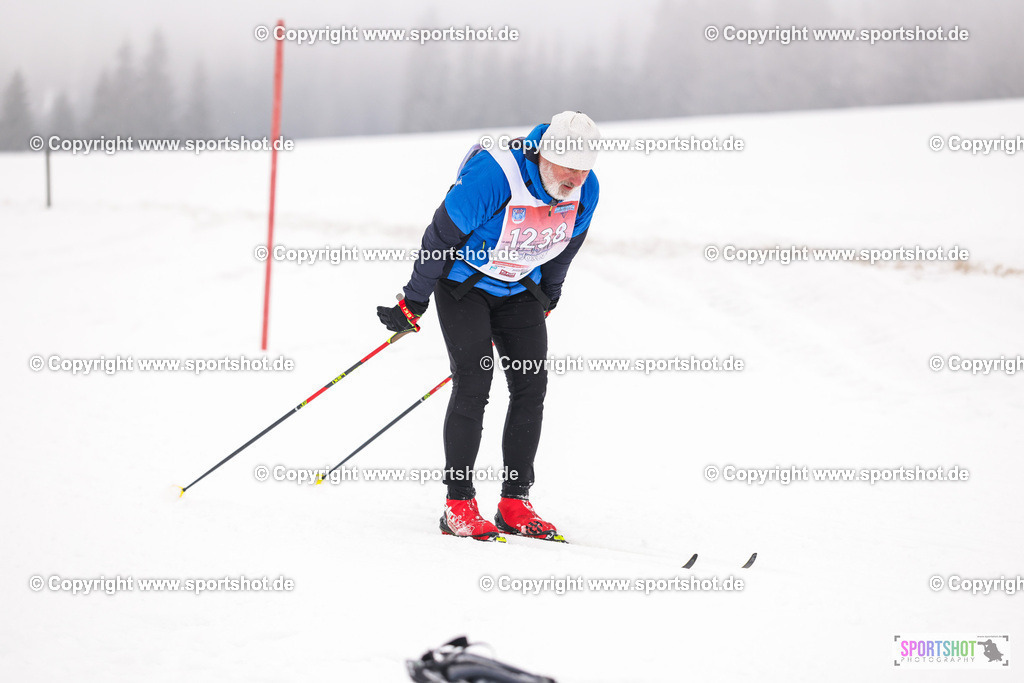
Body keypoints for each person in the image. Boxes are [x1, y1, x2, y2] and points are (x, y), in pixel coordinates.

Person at [377, 111, 601, 541]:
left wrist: (550, 294)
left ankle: (515, 502)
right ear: (544, 155)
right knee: (475, 382)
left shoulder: (586, 188)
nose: (574, 179)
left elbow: (567, 246)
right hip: (464, 286)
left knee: (531, 387)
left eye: (583, 169)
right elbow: (439, 238)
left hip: (520, 287)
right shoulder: (495, 175)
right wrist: (414, 301)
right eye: (567, 168)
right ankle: (458, 504)